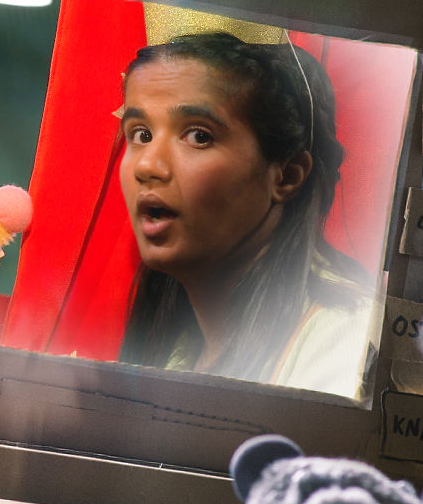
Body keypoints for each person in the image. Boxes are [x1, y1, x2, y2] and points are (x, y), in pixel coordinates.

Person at [116, 31, 375, 396]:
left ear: (286, 175)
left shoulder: (345, 344)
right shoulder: (176, 344)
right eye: (141, 134)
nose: (147, 166)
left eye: (198, 136)